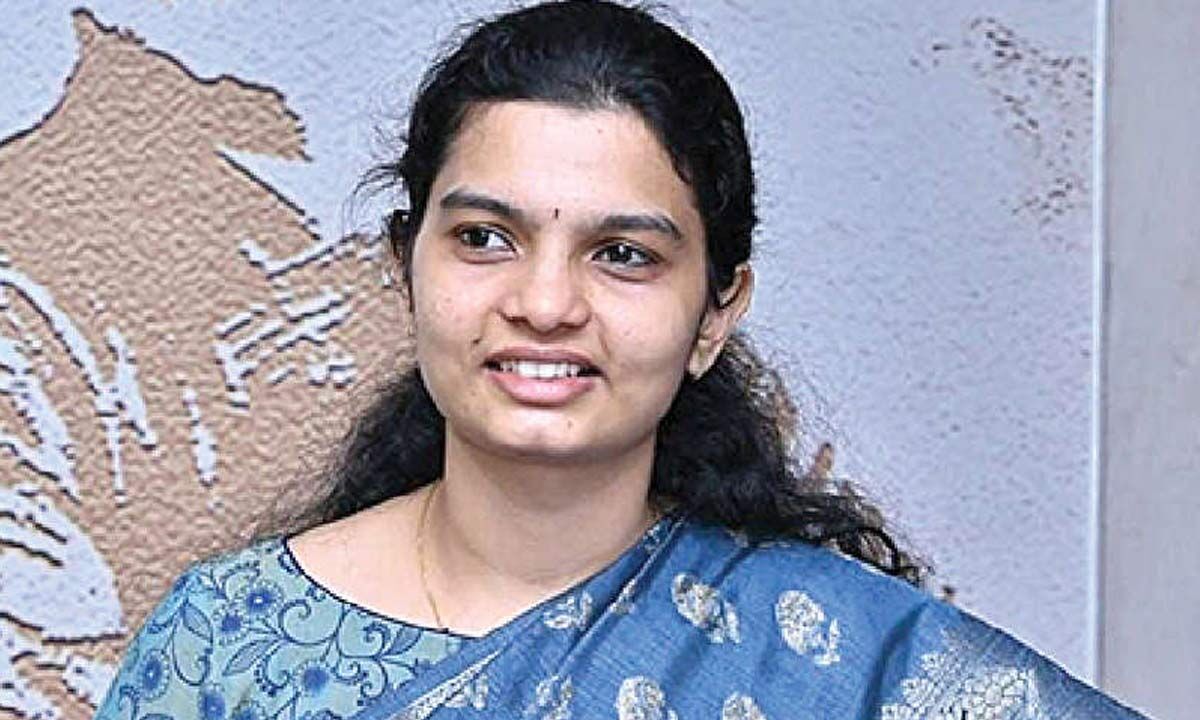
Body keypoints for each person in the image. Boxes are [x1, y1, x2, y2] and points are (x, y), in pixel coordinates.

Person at [95, 2, 1145, 719]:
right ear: (406, 265)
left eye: (624, 255)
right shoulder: (228, 644)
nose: (545, 304)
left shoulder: (831, 660)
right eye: (485, 238)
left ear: (715, 314)